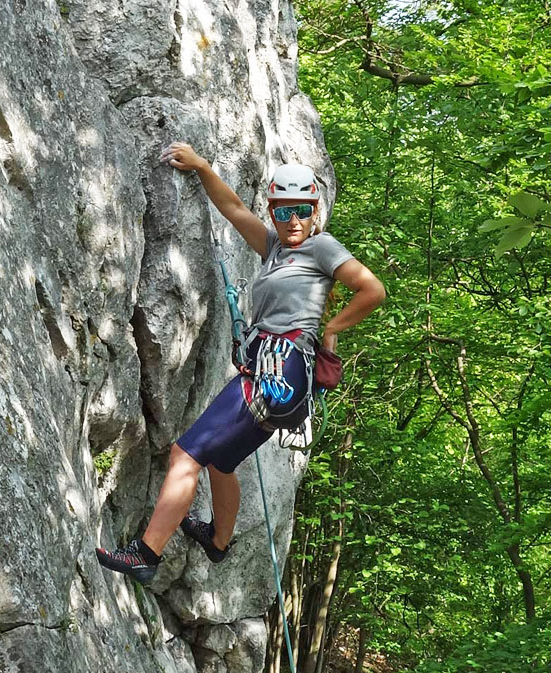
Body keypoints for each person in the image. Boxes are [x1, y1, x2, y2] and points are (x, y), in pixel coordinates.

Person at [96, 145, 385, 585]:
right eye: (284, 211)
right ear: (272, 211)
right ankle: (218, 539)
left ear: (315, 211)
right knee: (221, 461)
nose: (293, 221)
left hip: (281, 370)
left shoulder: (322, 247)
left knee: (185, 454)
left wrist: (332, 331)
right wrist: (202, 166)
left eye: (302, 211)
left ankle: (146, 553)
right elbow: (232, 208)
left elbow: (372, 289)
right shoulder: (273, 248)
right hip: (277, 377)